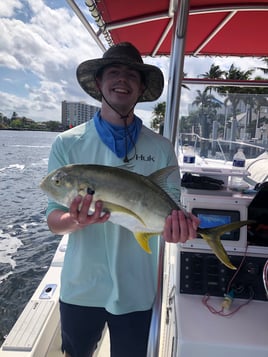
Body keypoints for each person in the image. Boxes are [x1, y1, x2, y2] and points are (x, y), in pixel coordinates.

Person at [45, 42, 199, 357]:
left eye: (132, 74)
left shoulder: (161, 148)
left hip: (137, 289)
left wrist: (178, 231)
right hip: (81, 287)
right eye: (113, 72)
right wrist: (75, 220)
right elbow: (53, 220)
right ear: (99, 83)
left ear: (141, 88)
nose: (122, 79)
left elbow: (169, 213)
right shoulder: (68, 144)